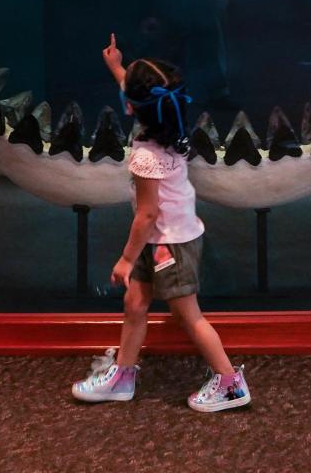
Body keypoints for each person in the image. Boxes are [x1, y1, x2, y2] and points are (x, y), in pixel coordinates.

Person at [70, 34, 251, 413]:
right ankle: (122, 376)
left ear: (132, 108)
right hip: (160, 240)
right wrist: (117, 66)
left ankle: (230, 382)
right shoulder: (170, 127)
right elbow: (140, 93)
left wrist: (123, 259)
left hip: (170, 244)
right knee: (135, 303)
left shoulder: (146, 157)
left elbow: (147, 214)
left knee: (188, 314)